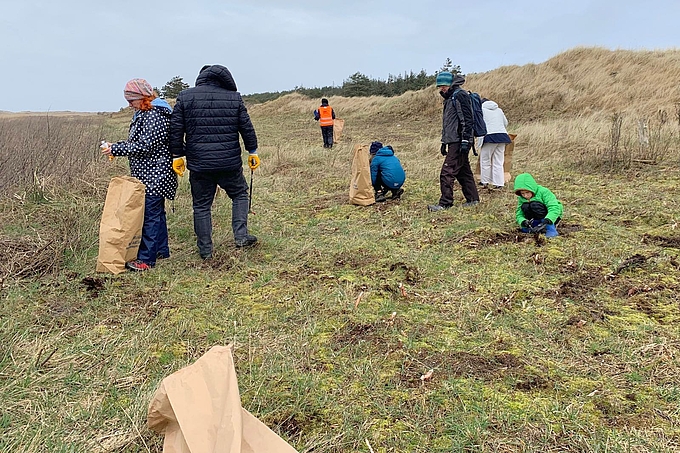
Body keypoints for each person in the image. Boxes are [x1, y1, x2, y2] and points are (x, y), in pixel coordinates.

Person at [169, 64, 260, 260]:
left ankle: (205, 250)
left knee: (201, 206)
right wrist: (252, 151)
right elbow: (247, 127)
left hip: (199, 164)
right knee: (240, 194)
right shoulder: (234, 98)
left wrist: (177, 155)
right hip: (229, 163)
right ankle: (241, 235)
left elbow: (176, 129)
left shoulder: (185, 96)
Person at [101, 78, 177, 271]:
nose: (129, 105)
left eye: (131, 100)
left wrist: (116, 149)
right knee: (156, 213)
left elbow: (145, 145)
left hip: (156, 173)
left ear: (143, 97)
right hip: (150, 172)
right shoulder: (145, 112)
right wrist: (116, 147)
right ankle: (161, 250)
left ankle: (146, 260)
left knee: (150, 215)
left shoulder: (154, 114)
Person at [428, 72, 480, 211]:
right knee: (463, 171)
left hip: (459, 140)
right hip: (453, 141)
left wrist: (465, 140)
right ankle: (473, 199)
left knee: (447, 172)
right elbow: (449, 123)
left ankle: (445, 203)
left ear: (450, 83)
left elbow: (467, 120)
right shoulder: (450, 97)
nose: (441, 89)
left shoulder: (459, 95)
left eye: (443, 85)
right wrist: (444, 142)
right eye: (439, 86)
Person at [513, 173, 563, 238]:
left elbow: (554, 207)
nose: (525, 196)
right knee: (525, 206)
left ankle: (550, 228)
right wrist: (523, 221)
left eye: (527, 192)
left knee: (535, 205)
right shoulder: (521, 198)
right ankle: (535, 225)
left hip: (550, 217)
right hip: (535, 217)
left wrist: (547, 220)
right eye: (523, 193)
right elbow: (519, 213)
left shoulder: (544, 192)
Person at [480, 98, 512, 189]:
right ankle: (499, 183)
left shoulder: (481, 110)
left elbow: (480, 124)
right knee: (498, 161)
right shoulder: (499, 110)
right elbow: (505, 123)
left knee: (485, 160)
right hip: (502, 136)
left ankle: (485, 182)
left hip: (489, 136)